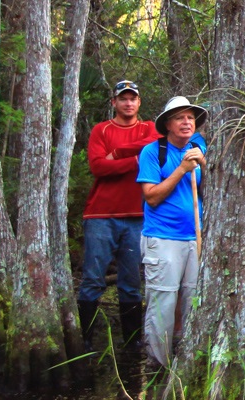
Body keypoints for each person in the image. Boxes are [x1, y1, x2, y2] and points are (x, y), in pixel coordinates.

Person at [78, 80, 160, 353]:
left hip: (137, 215)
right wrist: (137, 159)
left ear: (139, 102)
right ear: (114, 102)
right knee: (92, 278)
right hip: (101, 214)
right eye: (123, 99)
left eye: (132, 99)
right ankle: (86, 339)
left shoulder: (147, 126)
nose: (128, 103)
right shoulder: (101, 130)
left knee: (131, 281)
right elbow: (99, 167)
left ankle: (132, 341)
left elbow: (154, 143)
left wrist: (121, 155)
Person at [136, 96, 207, 367]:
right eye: (179, 118)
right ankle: (158, 365)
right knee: (163, 302)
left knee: (192, 300)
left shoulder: (197, 148)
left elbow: (209, 189)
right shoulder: (153, 152)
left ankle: (186, 361)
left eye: (190, 117)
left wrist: (202, 163)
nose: (186, 122)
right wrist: (181, 169)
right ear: (168, 124)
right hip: (163, 238)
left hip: (195, 238)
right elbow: (151, 197)